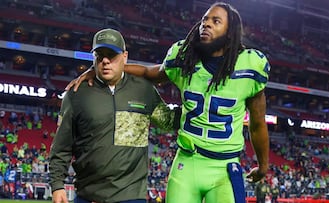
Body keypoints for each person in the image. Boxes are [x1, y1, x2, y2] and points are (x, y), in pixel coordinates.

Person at [67, 2, 270, 203]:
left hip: (224, 166)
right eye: (204, 20)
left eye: (215, 21)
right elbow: (148, 73)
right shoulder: (185, 59)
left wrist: (263, 165)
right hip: (187, 162)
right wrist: (104, 68)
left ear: (230, 32)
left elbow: (258, 124)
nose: (206, 24)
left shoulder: (249, 67)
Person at [49, 28, 179, 203]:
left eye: (112, 55)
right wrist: (57, 185)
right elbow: (61, 146)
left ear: (125, 56)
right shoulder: (77, 93)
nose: (105, 61)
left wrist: (199, 106)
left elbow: (168, 121)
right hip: (88, 196)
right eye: (99, 55)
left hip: (131, 196)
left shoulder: (144, 90)